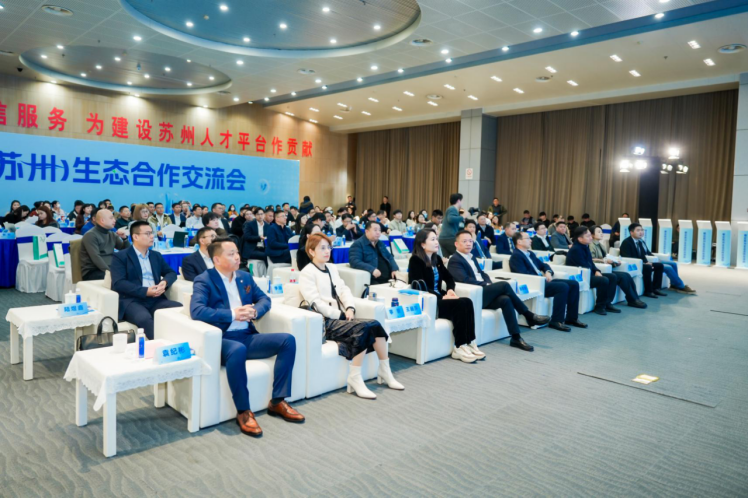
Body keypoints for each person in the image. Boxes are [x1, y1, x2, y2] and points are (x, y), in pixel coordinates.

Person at [191, 238, 304, 436]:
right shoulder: (204, 279)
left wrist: (255, 311)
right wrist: (233, 314)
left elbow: (264, 299)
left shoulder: (244, 277)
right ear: (216, 259)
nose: (237, 257)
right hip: (222, 339)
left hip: (246, 335)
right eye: (231, 254)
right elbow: (197, 310)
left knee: (287, 340)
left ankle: (278, 401)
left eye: (237, 252)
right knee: (238, 349)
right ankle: (243, 411)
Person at [299, 233, 402, 398]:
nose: (327, 251)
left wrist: (350, 308)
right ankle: (355, 377)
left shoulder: (332, 268)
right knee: (362, 328)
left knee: (375, 324)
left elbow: (343, 289)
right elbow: (315, 302)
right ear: (311, 251)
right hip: (325, 322)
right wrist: (339, 314)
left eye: (328, 247)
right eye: (322, 248)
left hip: (342, 317)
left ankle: (385, 371)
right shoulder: (307, 273)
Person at [449, 230, 550, 349]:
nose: (468, 244)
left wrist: (489, 283)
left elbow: (482, 274)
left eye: (470, 241)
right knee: (504, 285)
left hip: (483, 291)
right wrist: (487, 285)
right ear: (456, 244)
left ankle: (516, 338)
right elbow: (465, 280)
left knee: (505, 299)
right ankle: (528, 315)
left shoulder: (471, 257)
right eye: (464, 241)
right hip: (473, 295)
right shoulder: (455, 260)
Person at [408, 229, 485, 362]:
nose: (436, 242)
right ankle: (459, 347)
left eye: (436, 239)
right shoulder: (416, 260)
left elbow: (449, 278)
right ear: (423, 244)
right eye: (432, 239)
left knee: (467, 301)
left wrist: (449, 290)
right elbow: (420, 286)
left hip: (440, 297)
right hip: (430, 301)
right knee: (460, 304)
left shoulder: (436, 259)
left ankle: (470, 341)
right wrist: (441, 297)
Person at [109, 221, 181, 339]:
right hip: (132, 300)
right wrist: (146, 291)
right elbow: (119, 283)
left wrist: (164, 282)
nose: (152, 236)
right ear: (135, 236)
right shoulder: (120, 256)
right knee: (144, 319)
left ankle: (180, 342)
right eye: (147, 234)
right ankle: (161, 345)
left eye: (152, 233)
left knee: (178, 309)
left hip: (156, 299)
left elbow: (171, 273)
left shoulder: (155, 255)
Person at [509, 231, 589, 331]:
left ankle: (571, 318)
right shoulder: (516, 256)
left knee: (574, 284)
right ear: (519, 242)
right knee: (562, 287)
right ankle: (556, 321)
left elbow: (544, 265)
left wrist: (547, 272)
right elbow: (523, 275)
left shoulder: (530, 253)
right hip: (535, 284)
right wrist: (541, 279)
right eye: (528, 238)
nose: (531, 240)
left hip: (542, 281)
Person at [621, 223, 696, 296]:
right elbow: (628, 258)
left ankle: (670, 285)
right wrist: (645, 262)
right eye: (638, 230)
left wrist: (655, 259)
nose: (641, 232)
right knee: (668, 267)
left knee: (672, 263)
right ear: (631, 232)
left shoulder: (640, 241)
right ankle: (681, 286)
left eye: (642, 230)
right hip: (636, 264)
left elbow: (646, 254)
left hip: (645, 261)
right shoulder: (627, 243)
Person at [565, 226, 624, 315]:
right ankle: (599, 306)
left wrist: (597, 270)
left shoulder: (584, 246)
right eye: (588, 236)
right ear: (580, 238)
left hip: (589, 273)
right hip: (581, 276)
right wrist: (595, 272)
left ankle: (607, 303)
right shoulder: (576, 249)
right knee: (603, 280)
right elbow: (583, 265)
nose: (591, 237)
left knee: (612, 277)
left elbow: (591, 263)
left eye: (590, 235)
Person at [589, 226, 647, 308]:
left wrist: (614, 262)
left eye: (602, 232)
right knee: (622, 277)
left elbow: (606, 257)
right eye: (598, 232)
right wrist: (605, 261)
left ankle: (635, 299)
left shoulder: (601, 245)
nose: (601, 233)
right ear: (592, 234)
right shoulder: (591, 245)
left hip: (606, 267)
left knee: (626, 275)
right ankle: (632, 300)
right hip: (600, 269)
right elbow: (592, 259)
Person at [80, 209, 130, 281]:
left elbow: (127, 251)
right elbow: (96, 258)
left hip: (110, 268)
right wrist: (110, 272)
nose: (114, 220)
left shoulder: (111, 234)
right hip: (93, 271)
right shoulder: (90, 235)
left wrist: (124, 239)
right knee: (122, 277)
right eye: (111, 218)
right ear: (102, 220)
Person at [438, 193, 464, 258]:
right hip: (450, 238)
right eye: (462, 200)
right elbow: (451, 219)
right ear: (458, 200)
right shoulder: (452, 209)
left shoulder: (451, 209)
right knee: (460, 256)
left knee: (447, 259)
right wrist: (462, 217)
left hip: (444, 238)